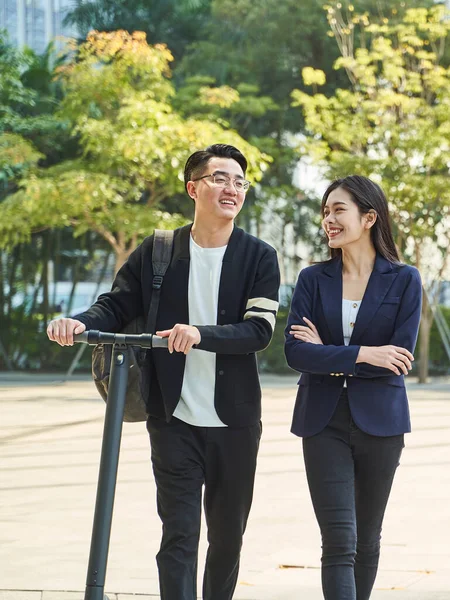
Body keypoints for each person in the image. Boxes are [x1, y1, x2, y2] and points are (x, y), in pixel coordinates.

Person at [47, 143, 280, 600]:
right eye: (219, 178)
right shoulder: (158, 251)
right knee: (178, 535)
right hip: (172, 418)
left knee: (227, 539)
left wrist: (200, 334)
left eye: (239, 181)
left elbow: (259, 331)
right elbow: (116, 305)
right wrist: (81, 323)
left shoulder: (259, 256)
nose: (231, 188)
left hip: (235, 421)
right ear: (193, 188)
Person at [284, 175, 422, 600]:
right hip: (321, 422)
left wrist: (330, 353)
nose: (329, 219)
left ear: (368, 217)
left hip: (381, 423)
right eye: (325, 211)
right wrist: (363, 353)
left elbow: (396, 359)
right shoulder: (312, 279)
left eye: (338, 209)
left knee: (367, 539)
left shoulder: (404, 280)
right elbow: (295, 353)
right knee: (339, 542)